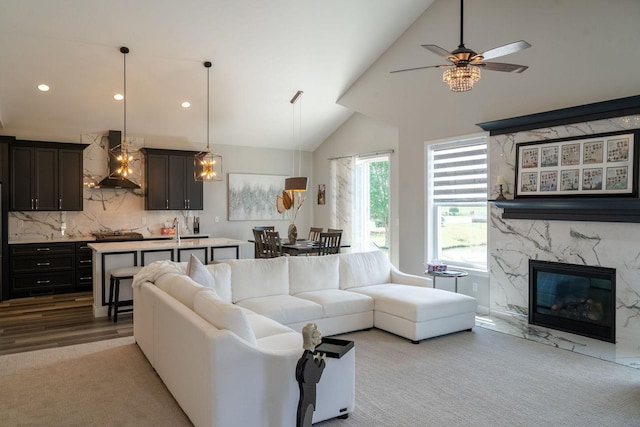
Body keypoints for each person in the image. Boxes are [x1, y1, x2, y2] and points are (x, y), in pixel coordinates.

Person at [296, 323, 326, 427]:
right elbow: (315, 377)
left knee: (306, 418)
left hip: (307, 396)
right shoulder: (307, 359)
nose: (319, 334)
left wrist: (317, 361)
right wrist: (323, 363)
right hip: (307, 398)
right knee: (306, 419)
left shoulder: (306, 358)